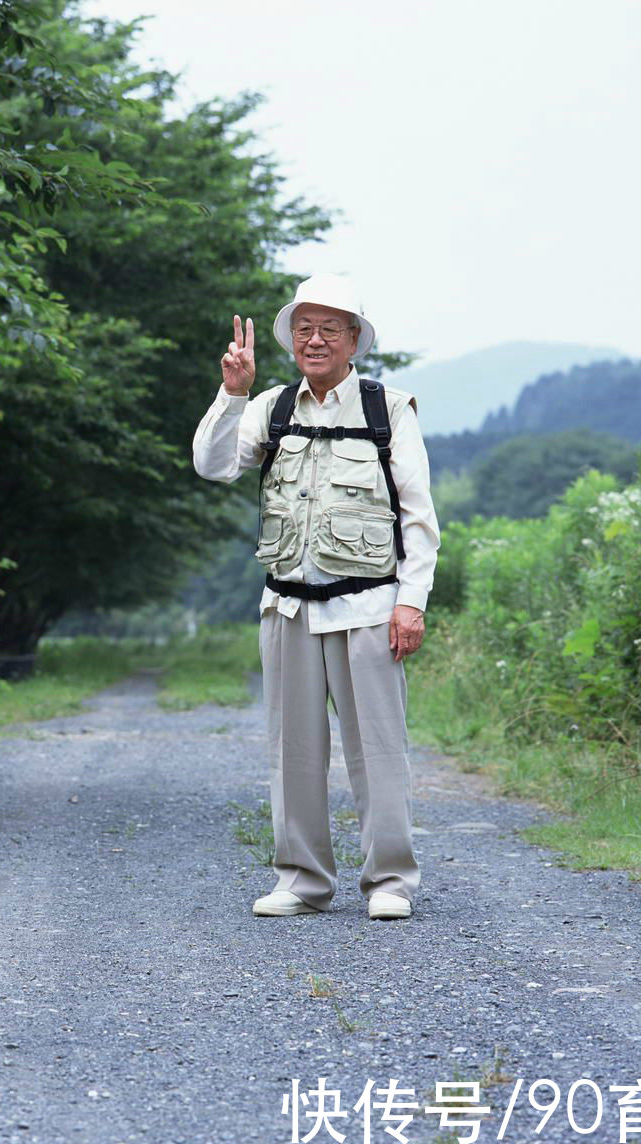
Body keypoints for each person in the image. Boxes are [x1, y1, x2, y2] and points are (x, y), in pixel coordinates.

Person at [191, 274, 439, 921]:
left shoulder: (389, 409)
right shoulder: (269, 407)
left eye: (331, 328)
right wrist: (231, 393)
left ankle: (389, 881)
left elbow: (417, 518)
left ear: (355, 339)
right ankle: (301, 879)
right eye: (305, 327)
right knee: (292, 750)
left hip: (368, 609)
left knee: (379, 749)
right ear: (291, 338)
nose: (316, 339)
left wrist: (410, 602)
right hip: (287, 609)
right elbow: (212, 466)